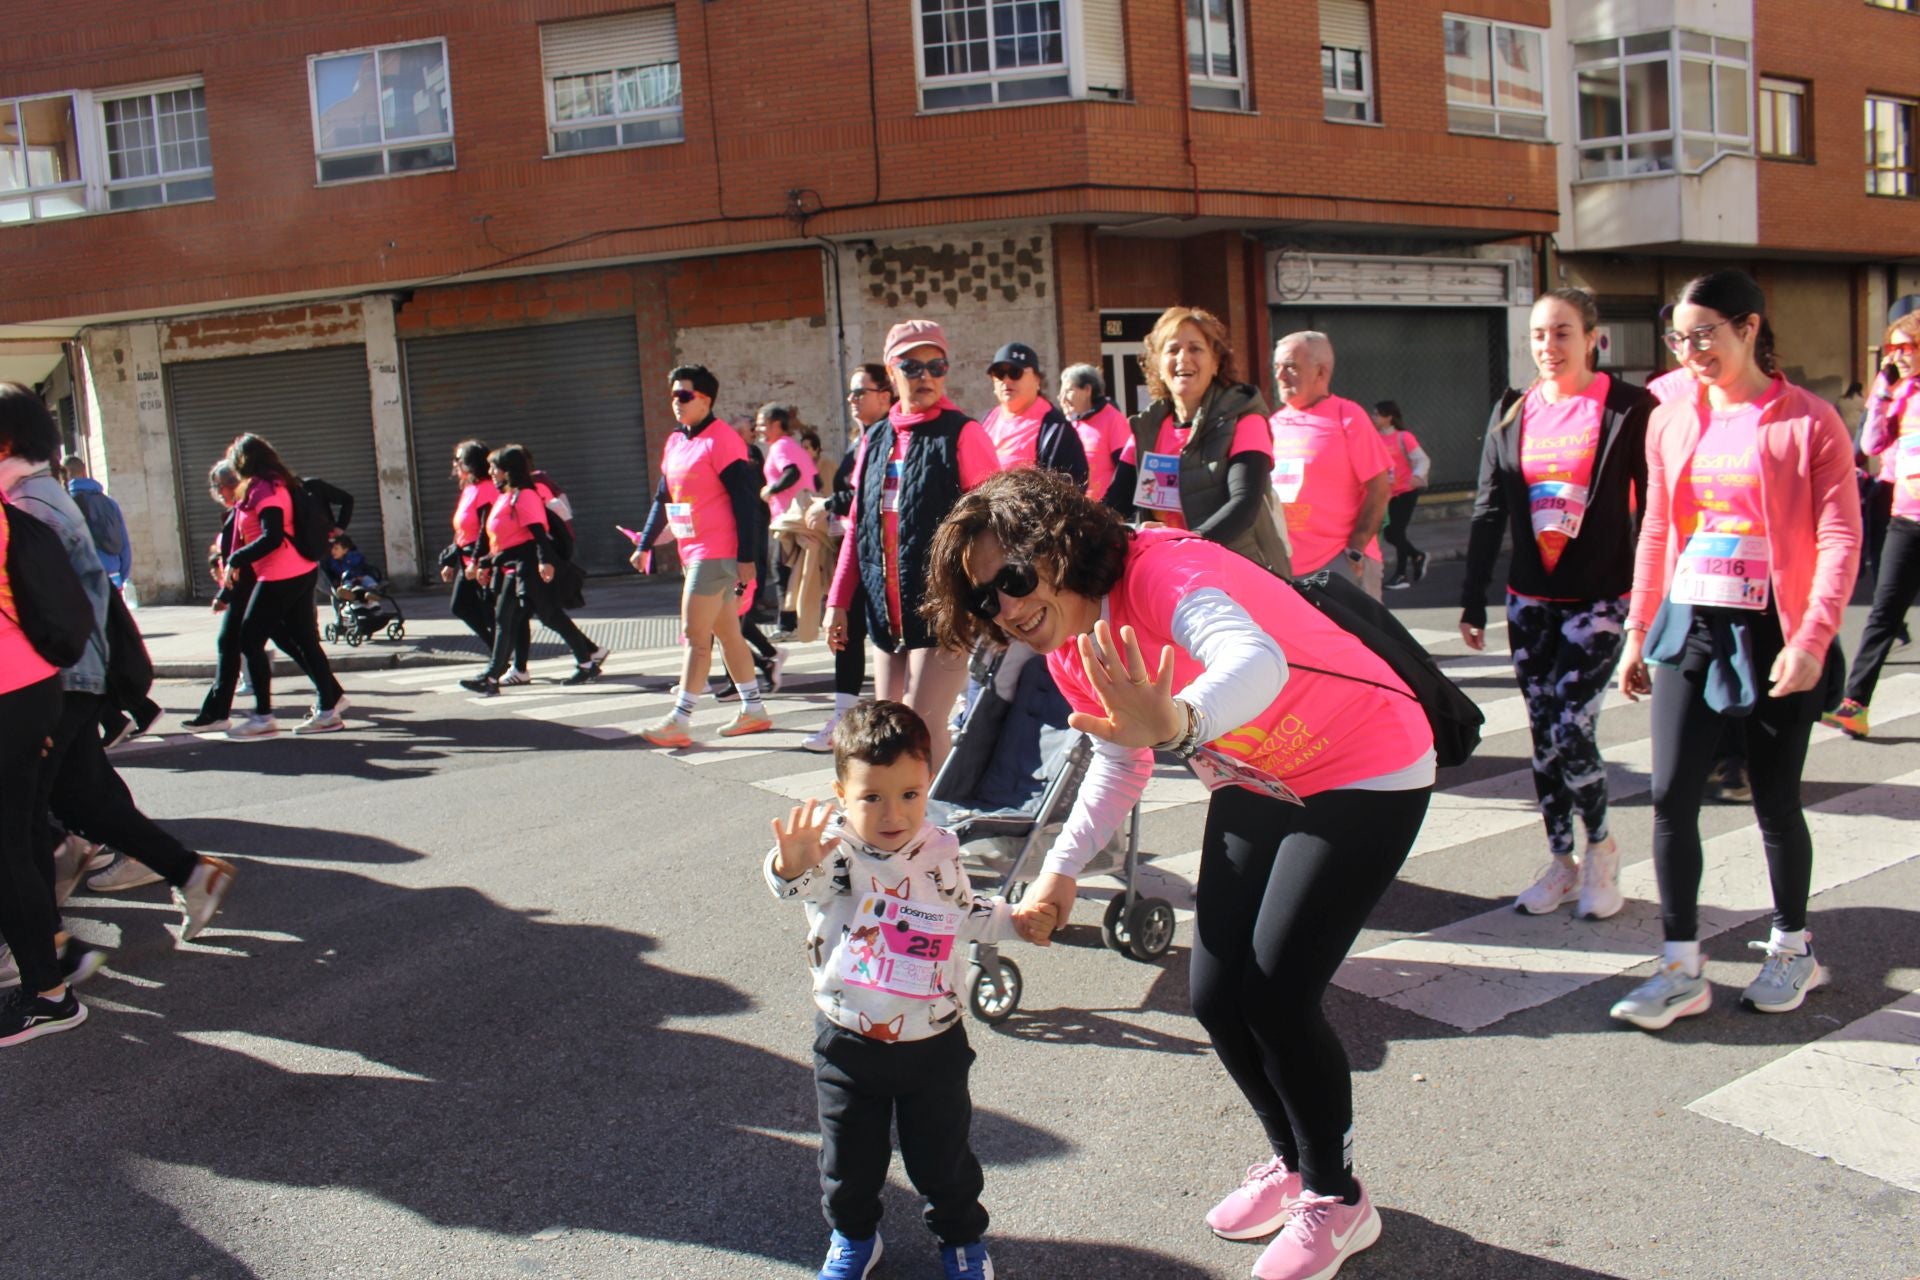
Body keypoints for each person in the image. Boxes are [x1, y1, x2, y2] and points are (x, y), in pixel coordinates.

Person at [925, 468, 1435, 1280]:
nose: (1007, 609)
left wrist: (1182, 720)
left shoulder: (1159, 569)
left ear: (1055, 545)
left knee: (1275, 993)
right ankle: (1295, 1165)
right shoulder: (1065, 647)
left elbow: (1253, 658)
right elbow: (1120, 757)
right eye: (986, 601)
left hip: (1366, 760)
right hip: (1258, 774)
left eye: (1012, 580)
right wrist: (1060, 872)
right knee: (1215, 994)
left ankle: (1339, 1202)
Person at [1612, 270, 1860, 1031]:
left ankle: (1793, 948)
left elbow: (1839, 535)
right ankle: (1681, 966)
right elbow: (1657, 526)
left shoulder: (1808, 422)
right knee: (1670, 797)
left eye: (1704, 336)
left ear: (1748, 328)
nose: (1690, 353)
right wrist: (1636, 630)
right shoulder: (1670, 414)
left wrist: (1814, 638)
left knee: (1777, 802)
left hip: (1774, 630)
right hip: (1691, 622)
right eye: (1678, 339)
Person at [765, 700, 1051, 1280]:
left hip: (934, 1040)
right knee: (849, 1162)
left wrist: (1014, 920)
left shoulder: (941, 848)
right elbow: (799, 886)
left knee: (943, 1157)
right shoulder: (833, 852)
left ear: (927, 785)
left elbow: (962, 914)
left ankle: (962, 1241)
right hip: (849, 1039)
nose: (893, 814)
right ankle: (854, 1238)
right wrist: (789, 864)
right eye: (872, 797)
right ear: (841, 793)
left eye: (909, 795)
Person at [0, 383, 237, 973]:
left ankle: (42, 949)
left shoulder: (29, 505)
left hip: (58, 678)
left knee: (24, 816)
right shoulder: (44, 494)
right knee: (81, 799)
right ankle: (190, 872)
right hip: (73, 677)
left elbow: (46, 606)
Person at [1460, 288, 1656, 920]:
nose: (1549, 347)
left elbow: (1654, 510)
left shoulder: (1629, 408)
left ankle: (1602, 846)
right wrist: (1473, 598)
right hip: (1529, 599)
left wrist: (1651, 609)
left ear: (1593, 337)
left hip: (1600, 597)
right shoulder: (1512, 411)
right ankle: (1561, 861)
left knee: (1574, 726)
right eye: (1541, 334)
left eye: (1563, 333)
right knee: (1544, 734)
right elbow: (1489, 506)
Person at [824, 321, 1000, 769]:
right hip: (887, 616)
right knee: (892, 730)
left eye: (935, 366)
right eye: (912, 366)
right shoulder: (875, 438)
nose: (925, 376)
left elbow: (993, 529)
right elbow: (859, 527)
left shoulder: (963, 434)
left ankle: (940, 823)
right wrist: (837, 601)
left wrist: (988, 603)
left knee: (921, 725)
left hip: (944, 610)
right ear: (891, 371)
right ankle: (907, 828)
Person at [632, 365, 772, 744]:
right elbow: (664, 497)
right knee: (727, 633)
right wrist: (644, 543)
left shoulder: (722, 440)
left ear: (705, 399)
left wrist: (747, 557)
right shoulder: (677, 441)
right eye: (673, 395)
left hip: (717, 552)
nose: (675, 402)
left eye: (683, 395)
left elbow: (746, 503)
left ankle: (680, 718)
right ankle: (754, 710)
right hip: (692, 549)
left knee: (695, 635)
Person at [1104, 306, 1292, 578]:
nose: (1184, 358)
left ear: (1216, 362)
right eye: (1172, 349)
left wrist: (1188, 545)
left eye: (1195, 348)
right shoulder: (1147, 429)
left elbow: (1244, 504)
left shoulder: (1244, 418)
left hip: (1242, 574)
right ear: (1157, 363)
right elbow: (1113, 506)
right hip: (1173, 573)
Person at [0, 473, 87, 1046]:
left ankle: (49, 992)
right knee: (21, 832)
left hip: (9, 694)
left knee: (6, 849)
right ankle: (54, 951)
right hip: (32, 686)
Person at [199, 434, 346, 737]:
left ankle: (264, 717)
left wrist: (236, 559)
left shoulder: (265, 488)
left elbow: (273, 535)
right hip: (297, 571)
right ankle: (329, 708)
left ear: (244, 461)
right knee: (304, 641)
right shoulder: (273, 483)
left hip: (281, 573)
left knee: (250, 639)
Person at [1824, 313, 1920, 739]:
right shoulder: (1897, 393)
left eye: (1908, 347)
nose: (1899, 356)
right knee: (1884, 611)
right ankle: (1855, 704)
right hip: (1905, 518)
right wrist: (1881, 391)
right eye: (1893, 348)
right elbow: (1870, 444)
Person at [460, 445, 606, 696]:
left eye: (495, 467)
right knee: (537, 618)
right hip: (511, 568)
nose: (491, 471)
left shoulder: (524, 496)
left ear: (508, 470)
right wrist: (486, 561)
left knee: (525, 619)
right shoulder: (507, 495)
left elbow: (537, 537)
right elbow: (503, 539)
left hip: (526, 570)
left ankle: (493, 676)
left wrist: (544, 563)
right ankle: (585, 662)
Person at [801, 365, 894, 753]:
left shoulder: (889, 438)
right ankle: (843, 717)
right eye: (851, 393)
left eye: (861, 392)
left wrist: (828, 504)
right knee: (847, 632)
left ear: (885, 395)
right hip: (856, 550)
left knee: (883, 641)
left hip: (884, 557)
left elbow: (864, 497)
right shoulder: (863, 440)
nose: (853, 399)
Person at [1268, 331, 1393, 599]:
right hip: (1285, 566)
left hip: (1339, 563)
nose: (1280, 376)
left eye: (1290, 367)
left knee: (1354, 641)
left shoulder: (1348, 416)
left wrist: (1355, 547)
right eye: (1277, 367)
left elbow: (1380, 488)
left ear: (1321, 372)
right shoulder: (1273, 423)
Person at [979, 341, 1088, 485]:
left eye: (1014, 372)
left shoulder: (1056, 431)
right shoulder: (985, 421)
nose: (1006, 380)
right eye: (999, 374)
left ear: (1037, 380)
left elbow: (1072, 488)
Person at [759, 402, 820, 639]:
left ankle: (788, 625)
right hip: (798, 518)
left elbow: (792, 472)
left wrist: (770, 490)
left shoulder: (781, 447)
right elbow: (816, 482)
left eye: (762, 424)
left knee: (782, 570)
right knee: (793, 571)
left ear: (776, 424)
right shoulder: (793, 446)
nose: (759, 429)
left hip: (789, 521)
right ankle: (793, 623)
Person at [439, 439, 501, 662]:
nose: (454, 465)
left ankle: (500, 656)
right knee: (460, 606)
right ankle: (497, 651)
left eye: (458, 460)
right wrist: (450, 560)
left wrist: (476, 561)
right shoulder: (469, 488)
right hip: (465, 560)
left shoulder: (485, 489)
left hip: (481, 561)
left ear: (469, 463)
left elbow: (485, 531)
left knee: (488, 611)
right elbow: (463, 529)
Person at [1371, 402, 1431, 589]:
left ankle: (1401, 575)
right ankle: (1417, 555)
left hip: (1406, 492)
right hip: (1388, 494)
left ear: (1389, 417)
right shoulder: (1375, 439)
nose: (1373, 418)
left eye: (1377, 414)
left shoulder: (1403, 437)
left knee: (1395, 532)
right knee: (1390, 533)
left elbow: (1422, 460)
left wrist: (1417, 476)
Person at [1059, 363, 1130, 505]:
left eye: (1068, 391)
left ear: (1087, 389)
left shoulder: (1113, 419)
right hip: (1078, 508)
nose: (1063, 398)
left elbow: (1125, 470)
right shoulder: (1070, 423)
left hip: (1105, 509)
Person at [61, 453, 131, 589]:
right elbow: (124, 543)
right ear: (84, 471)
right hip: (113, 575)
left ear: (63, 475)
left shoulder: (65, 505)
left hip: (85, 579)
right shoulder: (109, 503)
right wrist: (122, 577)